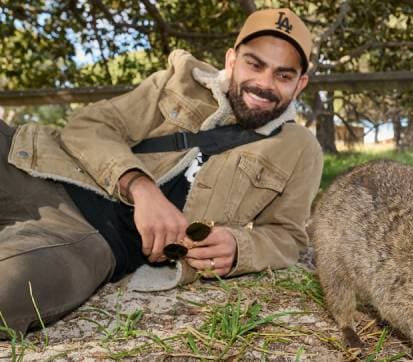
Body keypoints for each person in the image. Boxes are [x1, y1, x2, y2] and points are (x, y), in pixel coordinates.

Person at [0, 8, 322, 335]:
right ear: (231, 61)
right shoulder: (180, 80)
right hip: (33, 163)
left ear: (300, 84)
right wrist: (141, 188)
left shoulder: (300, 149)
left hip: (89, 239)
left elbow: (288, 235)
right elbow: (89, 125)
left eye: (283, 75)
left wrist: (240, 247)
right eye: (254, 64)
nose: (264, 84)